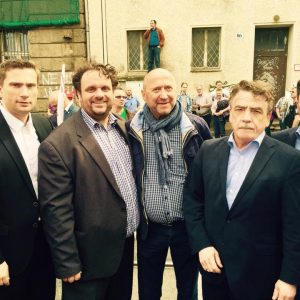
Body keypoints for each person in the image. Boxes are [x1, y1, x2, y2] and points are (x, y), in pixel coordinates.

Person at [183, 80, 300, 300]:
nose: (247, 117)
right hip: (215, 273)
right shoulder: (208, 151)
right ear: (230, 114)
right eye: (240, 109)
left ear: (268, 117)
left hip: (262, 279)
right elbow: (192, 201)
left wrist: (290, 278)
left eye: (256, 110)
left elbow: (295, 225)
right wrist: (202, 245)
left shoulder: (289, 160)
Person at [38, 62, 139, 300]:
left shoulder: (123, 129)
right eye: (91, 89)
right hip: (87, 261)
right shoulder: (59, 144)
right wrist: (67, 262)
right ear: (79, 94)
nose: (99, 94)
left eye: (105, 87)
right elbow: (56, 210)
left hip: (123, 250)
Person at [127, 68, 211, 300]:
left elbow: (211, 172)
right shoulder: (132, 128)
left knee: (188, 290)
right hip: (150, 228)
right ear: (144, 94)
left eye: (168, 88)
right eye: (156, 89)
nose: (163, 94)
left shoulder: (196, 126)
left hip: (187, 227)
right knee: (149, 290)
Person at [0, 59, 55, 300]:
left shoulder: (44, 126)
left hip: (45, 250)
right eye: (16, 85)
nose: (25, 93)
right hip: (8, 257)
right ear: (1, 87)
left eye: (31, 85)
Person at [273, 80, 300, 149]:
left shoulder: (291, 102)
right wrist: (279, 115)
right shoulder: (283, 99)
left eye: (293, 92)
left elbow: (297, 118)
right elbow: (277, 107)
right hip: (284, 119)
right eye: (290, 91)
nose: (291, 93)